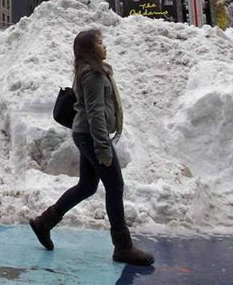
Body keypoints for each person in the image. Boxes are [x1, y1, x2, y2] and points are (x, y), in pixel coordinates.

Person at [29, 29, 154, 266]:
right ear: (89, 50)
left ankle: (44, 222)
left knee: (87, 186)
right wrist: (103, 148)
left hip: (85, 135)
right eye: (99, 43)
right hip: (91, 136)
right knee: (115, 186)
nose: (104, 46)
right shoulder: (94, 75)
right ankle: (123, 247)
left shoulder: (88, 72)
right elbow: (96, 114)